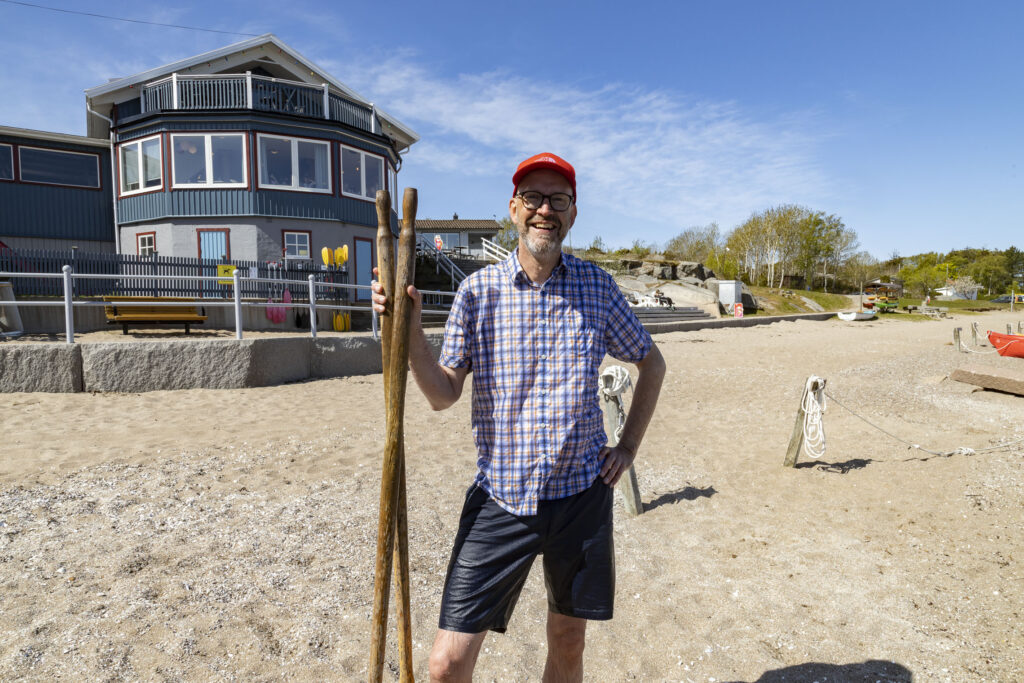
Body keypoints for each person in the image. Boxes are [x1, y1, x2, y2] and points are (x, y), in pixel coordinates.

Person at [371, 152, 666, 682]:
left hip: (581, 496)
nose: (544, 210)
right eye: (533, 197)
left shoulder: (597, 288)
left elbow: (651, 362)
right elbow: (442, 394)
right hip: (502, 499)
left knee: (569, 642)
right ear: (513, 208)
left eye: (558, 199)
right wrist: (409, 328)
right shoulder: (476, 293)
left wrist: (627, 448)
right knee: (445, 664)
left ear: (573, 213)